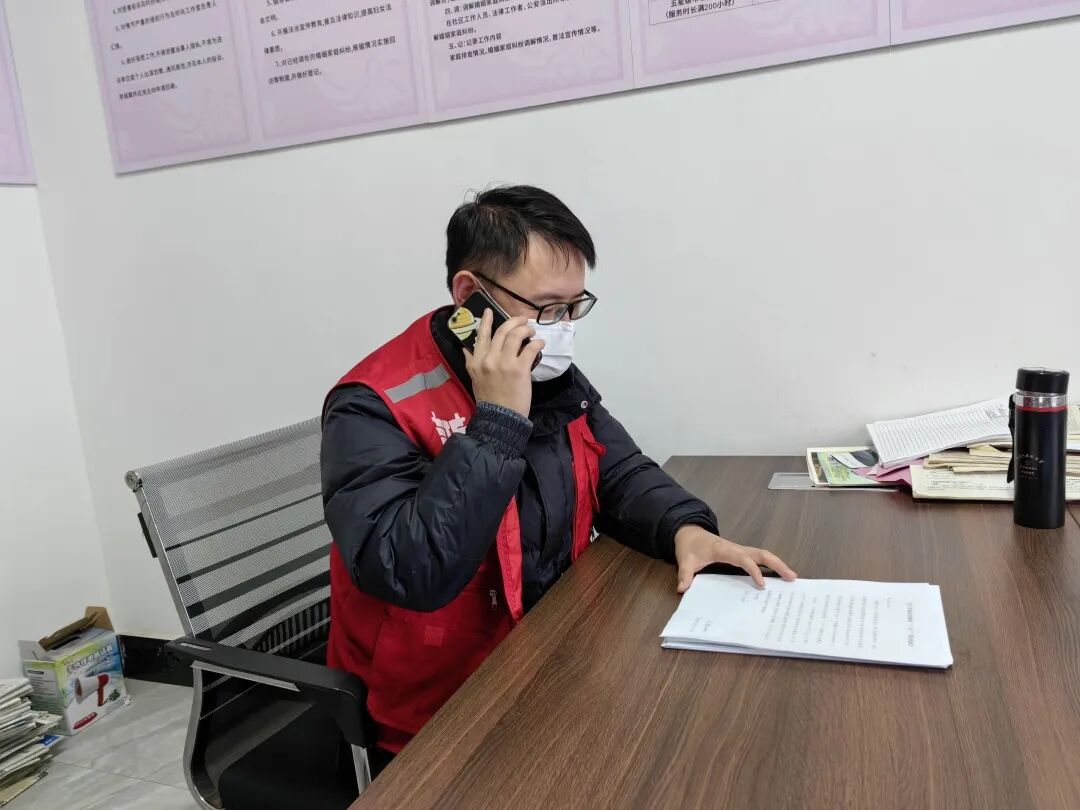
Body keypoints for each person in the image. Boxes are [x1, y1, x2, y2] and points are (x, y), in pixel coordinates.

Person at [320, 185, 796, 770]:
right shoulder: (372, 405)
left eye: (574, 307)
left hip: (543, 664)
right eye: (547, 308)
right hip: (434, 714)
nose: (563, 328)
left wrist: (685, 529)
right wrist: (498, 421)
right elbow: (409, 569)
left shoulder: (545, 374)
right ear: (469, 295)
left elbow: (618, 468)